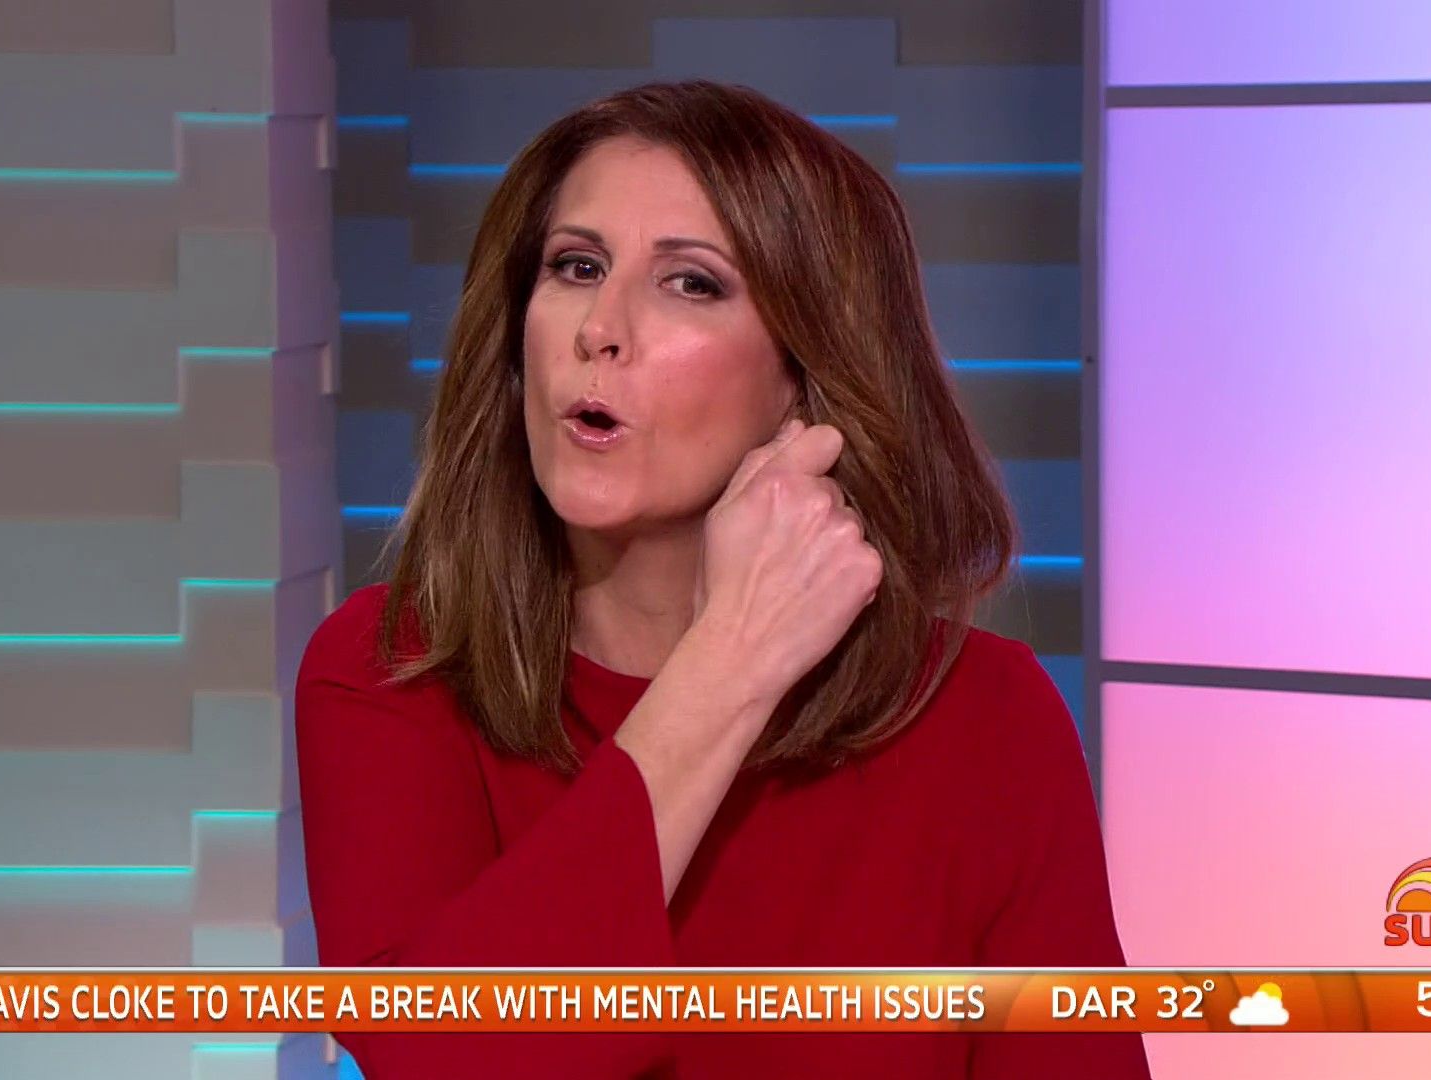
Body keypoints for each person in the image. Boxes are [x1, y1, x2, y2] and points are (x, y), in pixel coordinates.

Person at [295, 80, 1151, 1079]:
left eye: (691, 283)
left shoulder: (984, 718)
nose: (600, 328)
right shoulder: (392, 670)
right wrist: (730, 665)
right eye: (577, 265)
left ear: (805, 374)